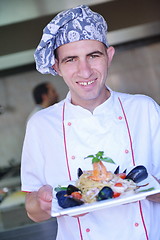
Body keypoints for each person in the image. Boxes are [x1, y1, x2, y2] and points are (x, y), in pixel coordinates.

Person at [21, 5, 160, 240]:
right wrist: (42, 200)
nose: (84, 71)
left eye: (93, 56)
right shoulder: (41, 125)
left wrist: (151, 189)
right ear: (57, 67)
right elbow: (33, 211)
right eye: (71, 60)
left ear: (109, 56)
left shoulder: (144, 109)